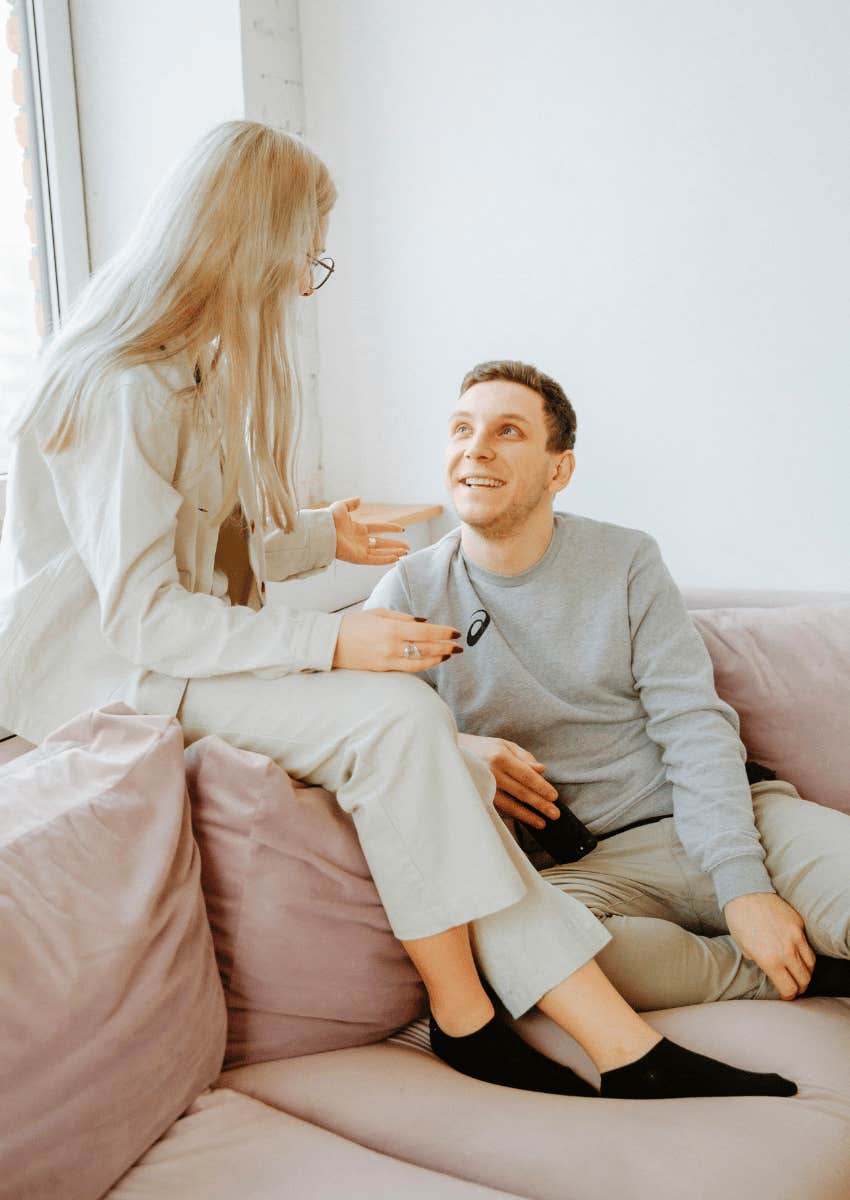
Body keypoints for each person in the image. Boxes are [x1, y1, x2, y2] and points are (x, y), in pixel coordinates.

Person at [0, 123, 797, 1101]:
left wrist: (316, 537)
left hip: (175, 654)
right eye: (304, 258)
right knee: (395, 719)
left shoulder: (189, 377)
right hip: (120, 676)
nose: (302, 287)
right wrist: (332, 635)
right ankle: (574, 1036)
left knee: (413, 727)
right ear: (249, 243)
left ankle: (499, 1024)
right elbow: (142, 618)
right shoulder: (123, 389)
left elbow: (189, 544)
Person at [366, 358, 850, 1018]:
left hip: (728, 818)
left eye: (508, 431)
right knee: (528, 956)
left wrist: (744, 886)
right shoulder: (408, 592)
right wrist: (456, 748)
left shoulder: (626, 560)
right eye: (461, 429)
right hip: (586, 869)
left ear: (558, 469)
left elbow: (692, 722)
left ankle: (785, 936)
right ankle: (805, 973)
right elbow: (355, 729)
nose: (475, 448)